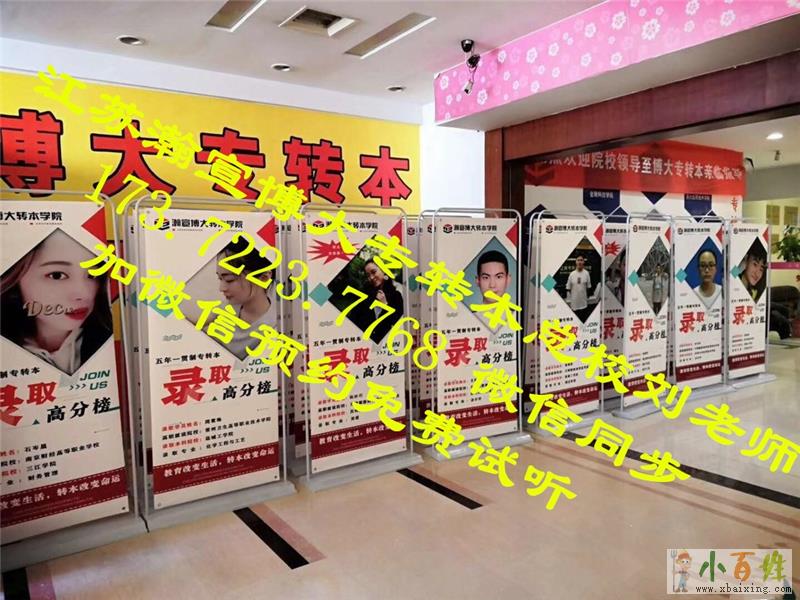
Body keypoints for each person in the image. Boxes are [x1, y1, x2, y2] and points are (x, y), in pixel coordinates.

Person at [0, 230, 112, 375]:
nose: (83, 294)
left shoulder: (112, 343)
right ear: (16, 277)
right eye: (57, 275)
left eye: (92, 275)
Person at [216, 237, 275, 359]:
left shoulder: (276, 325)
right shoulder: (225, 309)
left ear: (263, 278)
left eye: (229, 280)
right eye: (220, 278)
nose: (221, 288)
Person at [362, 259, 404, 343]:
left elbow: (398, 322)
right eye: (368, 275)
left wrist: (385, 305)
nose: (371, 277)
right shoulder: (368, 294)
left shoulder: (397, 293)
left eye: (374, 272)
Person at [566, 255, 593, 322]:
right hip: (574, 305)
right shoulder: (572, 274)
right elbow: (568, 288)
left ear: (583, 262)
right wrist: (575, 296)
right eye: (578, 260)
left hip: (584, 305)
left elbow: (588, 287)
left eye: (581, 260)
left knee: (583, 322)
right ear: (576, 262)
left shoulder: (586, 273)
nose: (580, 262)